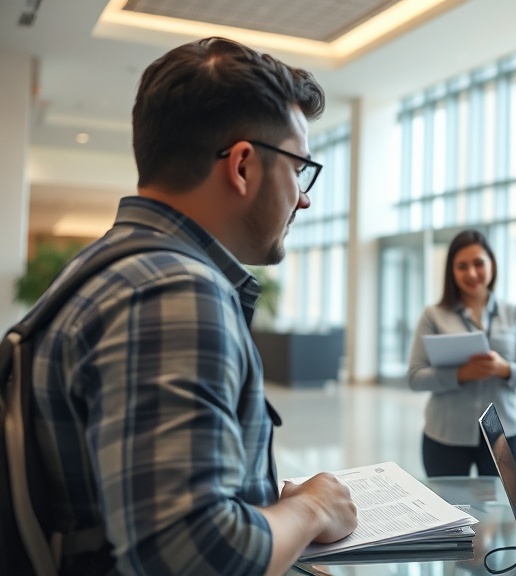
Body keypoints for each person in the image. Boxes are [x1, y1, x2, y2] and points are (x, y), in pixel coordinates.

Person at [25, 38, 357, 575]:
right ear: (244, 165)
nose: (304, 197)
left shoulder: (110, 268)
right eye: (299, 168)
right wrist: (312, 509)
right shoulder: (171, 293)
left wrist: (263, 502)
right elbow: (194, 556)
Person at [408, 229, 516, 477]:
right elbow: (415, 377)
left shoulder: (514, 313)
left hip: (503, 434)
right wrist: (461, 374)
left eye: (479, 263)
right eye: (462, 266)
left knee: (504, 511)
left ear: (492, 264)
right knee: (447, 510)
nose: (471, 273)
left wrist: (505, 369)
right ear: (451, 271)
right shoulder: (433, 316)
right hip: (445, 434)